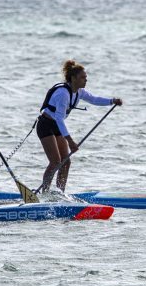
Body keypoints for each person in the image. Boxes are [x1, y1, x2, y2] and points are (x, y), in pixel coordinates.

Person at [37, 59, 122, 192]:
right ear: (73, 78)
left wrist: (112, 101)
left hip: (57, 127)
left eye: (86, 77)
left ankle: (59, 194)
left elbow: (94, 99)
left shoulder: (79, 92)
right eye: (82, 77)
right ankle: (44, 193)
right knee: (55, 162)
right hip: (46, 125)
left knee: (65, 162)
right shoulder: (63, 94)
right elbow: (59, 118)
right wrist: (70, 141)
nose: (85, 80)